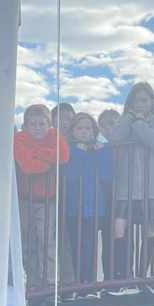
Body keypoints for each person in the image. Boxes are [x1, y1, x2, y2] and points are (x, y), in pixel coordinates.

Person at [106, 82, 154, 283]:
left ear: (152, 102)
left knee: (148, 230)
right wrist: (131, 118)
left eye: (144, 100)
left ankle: (142, 276)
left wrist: (140, 121)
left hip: (152, 188)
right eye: (136, 101)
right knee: (119, 229)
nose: (140, 104)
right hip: (126, 187)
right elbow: (114, 137)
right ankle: (125, 274)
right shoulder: (126, 121)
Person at [13, 105, 70, 289]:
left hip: (47, 199)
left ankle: (51, 282)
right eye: (33, 124)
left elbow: (63, 156)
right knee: (27, 242)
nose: (38, 128)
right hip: (23, 198)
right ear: (25, 126)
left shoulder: (54, 136)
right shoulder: (19, 138)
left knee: (46, 240)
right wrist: (48, 163)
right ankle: (34, 282)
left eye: (42, 124)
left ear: (49, 124)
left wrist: (36, 153)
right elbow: (27, 166)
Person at [62, 113, 113, 285]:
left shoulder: (99, 149)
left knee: (89, 246)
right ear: (72, 132)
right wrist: (78, 154)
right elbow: (70, 177)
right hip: (73, 208)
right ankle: (77, 282)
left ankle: (89, 282)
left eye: (87, 128)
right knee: (75, 246)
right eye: (79, 128)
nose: (83, 132)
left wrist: (101, 153)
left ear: (93, 131)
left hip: (94, 208)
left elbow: (107, 177)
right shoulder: (69, 149)